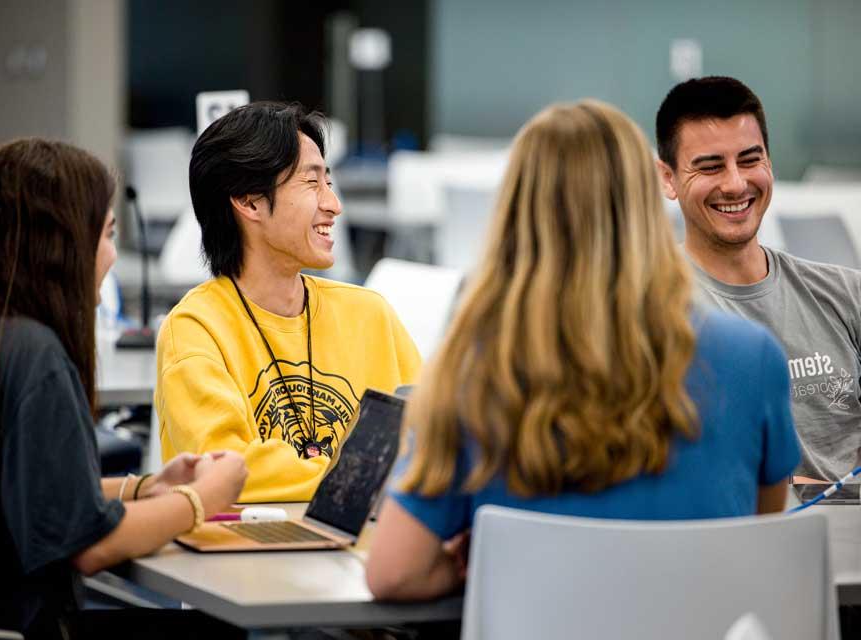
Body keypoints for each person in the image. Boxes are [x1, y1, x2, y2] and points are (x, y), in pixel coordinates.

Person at [365, 100, 800, 601]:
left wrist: (471, 566)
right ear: (645, 202)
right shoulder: (754, 359)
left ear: (516, 209)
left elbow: (394, 573)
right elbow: (762, 540)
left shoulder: (475, 372)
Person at [0, 138, 247, 638]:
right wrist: (200, 501)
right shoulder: (34, 357)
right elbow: (87, 545)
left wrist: (148, 487)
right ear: (63, 242)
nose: (111, 256)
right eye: (106, 234)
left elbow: (34, 493)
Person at [156, 102, 421, 503]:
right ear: (249, 202)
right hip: (245, 557)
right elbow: (225, 470)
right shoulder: (196, 330)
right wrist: (365, 482)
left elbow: (433, 442)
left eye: (328, 182)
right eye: (311, 183)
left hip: (359, 554)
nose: (333, 204)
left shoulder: (370, 315)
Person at [655, 76, 861, 483]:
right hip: (729, 541)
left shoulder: (847, 296)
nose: (735, 183)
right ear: (668, 178)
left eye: (750, 160)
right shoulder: (649, 310)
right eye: (710, 166)